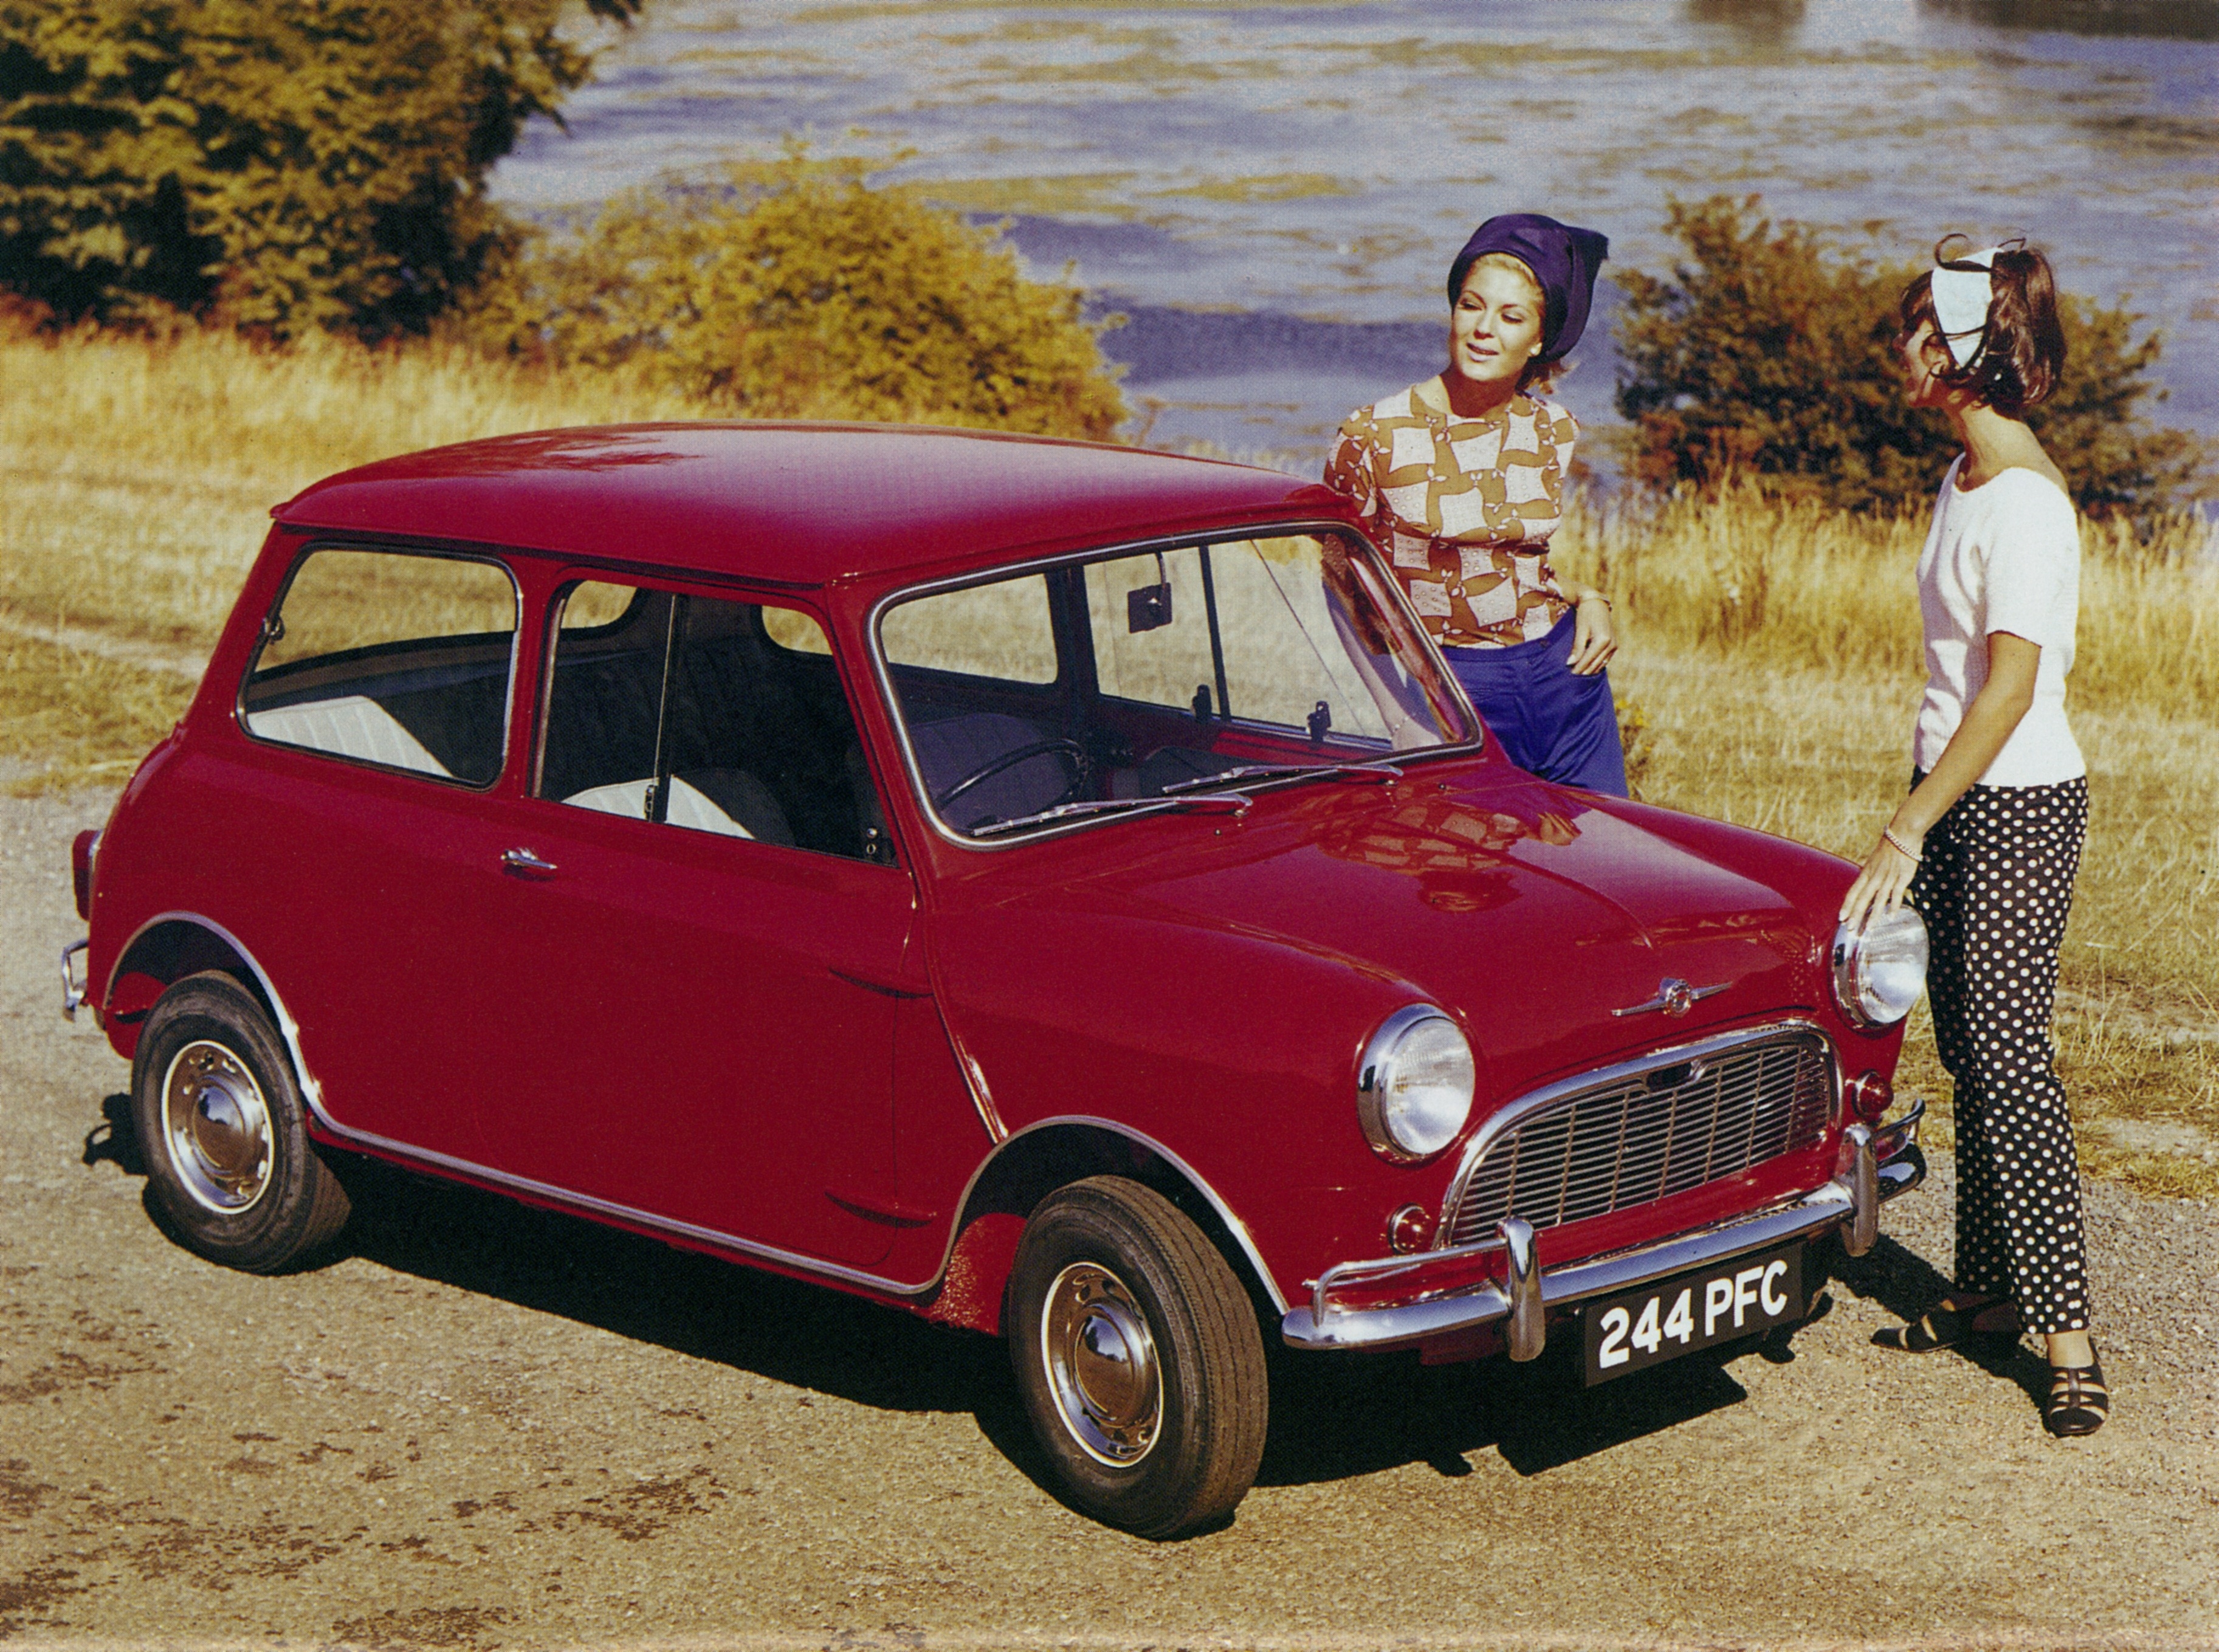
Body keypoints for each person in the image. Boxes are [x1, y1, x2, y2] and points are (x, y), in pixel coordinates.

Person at [1840, 238, 2104, 1437]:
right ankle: (1989, 1293)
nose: (1901, 352)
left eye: (1919, 333)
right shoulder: (1963, 476)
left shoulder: (2030, 504)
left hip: (2013, 798)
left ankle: (2068, 1336)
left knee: (2009, 1059)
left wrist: (1905, 827)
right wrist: (1921, 801)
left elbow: (2008, 693)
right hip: (1951, 787)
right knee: (1965, 1046)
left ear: (1968, 352)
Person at [1323, 212, 1626, 794]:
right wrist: (1400, 717)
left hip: (1566, 680)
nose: (1484, 329)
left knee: (1601, 843)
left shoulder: (1553, 428)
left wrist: (1589, 598)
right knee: (1469, 852)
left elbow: (1510, 562)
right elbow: (1340, 586)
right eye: (1471, 306)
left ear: (1538, 339)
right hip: (1452, 689)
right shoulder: (1373, 435)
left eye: (1511, 317)